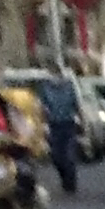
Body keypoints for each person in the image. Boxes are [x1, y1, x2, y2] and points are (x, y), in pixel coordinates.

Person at [35, 65, 84, 193]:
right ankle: (64, 177)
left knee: (69, 155)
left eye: (56, 75)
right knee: (56, 156)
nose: (54, 78)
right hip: (54, 125)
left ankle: (70, 183)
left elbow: (76, 104)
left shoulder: (69, 87)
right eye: (52, 75)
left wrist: (82, 120)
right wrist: (43, 124)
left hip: (68, 124)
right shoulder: (45, 88)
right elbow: (42, 107)